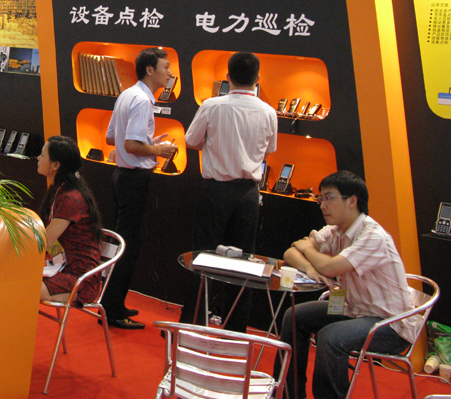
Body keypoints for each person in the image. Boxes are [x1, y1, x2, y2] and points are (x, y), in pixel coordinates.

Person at [277, 171, 420, 399]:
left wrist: (307, 248)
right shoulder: (335, 230)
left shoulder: (373, 236)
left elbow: (330, 267)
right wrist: (311, 268)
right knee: (294, 316)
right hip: (353, 310)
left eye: (329, 198)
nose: (322, 205)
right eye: (321, 198)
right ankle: (288, 394)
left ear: (352, 200)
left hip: (390, 324)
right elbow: (289, 252)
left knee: (331, 337)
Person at [180, 51, 277, 332]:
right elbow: (269, 150)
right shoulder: (268, 111)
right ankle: (236, 329)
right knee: (243, 261)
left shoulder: (212, 106)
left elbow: (191, 140)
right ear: (257, 78)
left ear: (227, 77)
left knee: (203, 257)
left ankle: (193, 324)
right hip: (248, 194)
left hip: (216, 190)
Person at [101, 47, 178, 329]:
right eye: (165, 67)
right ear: (150, 69)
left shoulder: (127, 94)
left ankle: (113, 303)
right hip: (133, 179)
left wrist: (149, 143)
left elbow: (112, 138)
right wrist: (158, 149)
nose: (169, 73)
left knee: (123, 243)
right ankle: (112, 310)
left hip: (122, 176)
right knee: (128, 246)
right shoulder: (143, 100)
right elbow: (130, 144)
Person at [37, 136, 103, 303]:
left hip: (80, 278)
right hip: (60, 267)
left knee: (21, 287)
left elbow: (44, 242)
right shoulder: (59, 190)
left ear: (55, 165)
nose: (38, 158)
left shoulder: (71, 198)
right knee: (14, 280)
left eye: (42, 155)